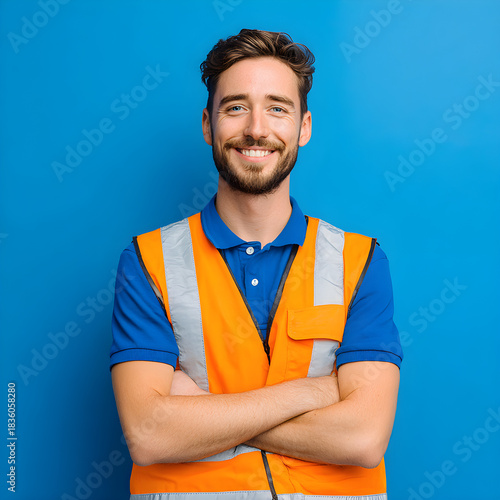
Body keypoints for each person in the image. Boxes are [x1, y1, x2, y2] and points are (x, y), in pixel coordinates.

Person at [110, 29, 403, 500]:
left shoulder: (360, 261)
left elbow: (363, 439)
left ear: (304, 127)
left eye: (277, 108)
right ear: (208, 125)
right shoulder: (148, 261)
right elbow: (149, 435)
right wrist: (313, 393)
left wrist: (203, 414)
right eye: (236, 107)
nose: (256, 129)